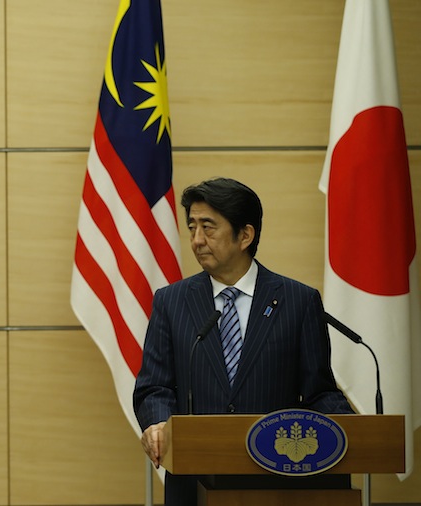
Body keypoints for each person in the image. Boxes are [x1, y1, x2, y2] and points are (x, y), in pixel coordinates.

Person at [133, 177, 353, 506]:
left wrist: (355, 433)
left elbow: (318, 390)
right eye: (192, 227)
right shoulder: (172, 301)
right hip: (195, 481)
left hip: (278, 481)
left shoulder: (297, 300)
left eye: (208, 227)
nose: (196, 240)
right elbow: (154, 386)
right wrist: (158, 422)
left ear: (245, 235)